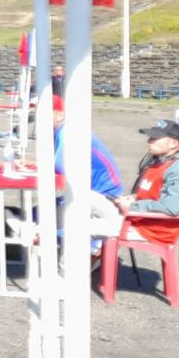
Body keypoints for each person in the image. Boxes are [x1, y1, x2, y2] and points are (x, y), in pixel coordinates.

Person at [51, 98, 127, 250]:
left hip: (104, 198)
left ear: (60, 115)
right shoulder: (62, 131)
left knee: (49, 217)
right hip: (92, 194)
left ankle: (91, 250)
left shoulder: (72, 132)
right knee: (42, 213)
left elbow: (61, 165)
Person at [116, 119, 179, 239]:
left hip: (152, 230)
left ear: (173, 144)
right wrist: (134, 198)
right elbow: (158, 193)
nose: (148, 141)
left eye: (154, 138)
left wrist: (133, 206)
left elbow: (171, 207)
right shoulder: (168, 162)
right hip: (143, 222)